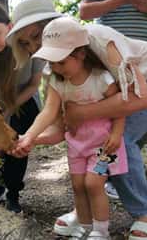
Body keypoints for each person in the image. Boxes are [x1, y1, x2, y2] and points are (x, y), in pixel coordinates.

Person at [7, 0, 147, 239]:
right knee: (104, 142)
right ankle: (85, 213)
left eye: (36, 35)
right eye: (26, 43)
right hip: (125, 92)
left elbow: (138, 98)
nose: (34, 47)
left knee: (120, 138)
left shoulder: (98, 38)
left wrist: (82, 112)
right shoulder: (56, 70)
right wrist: (29, 139)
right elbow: (60, 127)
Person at [15, 17, 128, 239]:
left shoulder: (102, 79)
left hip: (103, 144)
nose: (56, 68)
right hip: (76, 144)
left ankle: (101, 230)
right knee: (77, 184)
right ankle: (85, 226)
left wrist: (117, 133)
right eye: (52, 62)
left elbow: (120, 107)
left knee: (93, 183)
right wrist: (29, 136)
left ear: (81, 54)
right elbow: (48, 112)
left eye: (62, 62)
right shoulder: (58, 82)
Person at [80, 0, 147, 203]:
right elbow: (84, 11)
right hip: (113, 58)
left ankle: (115, 172)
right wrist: (122, 0)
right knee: (119, 116)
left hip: (141, 59)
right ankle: (105, 176)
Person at [0, 2, 44, 213]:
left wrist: (11, 108)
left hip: (23, 102)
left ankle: (13, 193)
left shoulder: (28, 46)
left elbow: (33, 85)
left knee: (16, 149)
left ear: (10, 27)